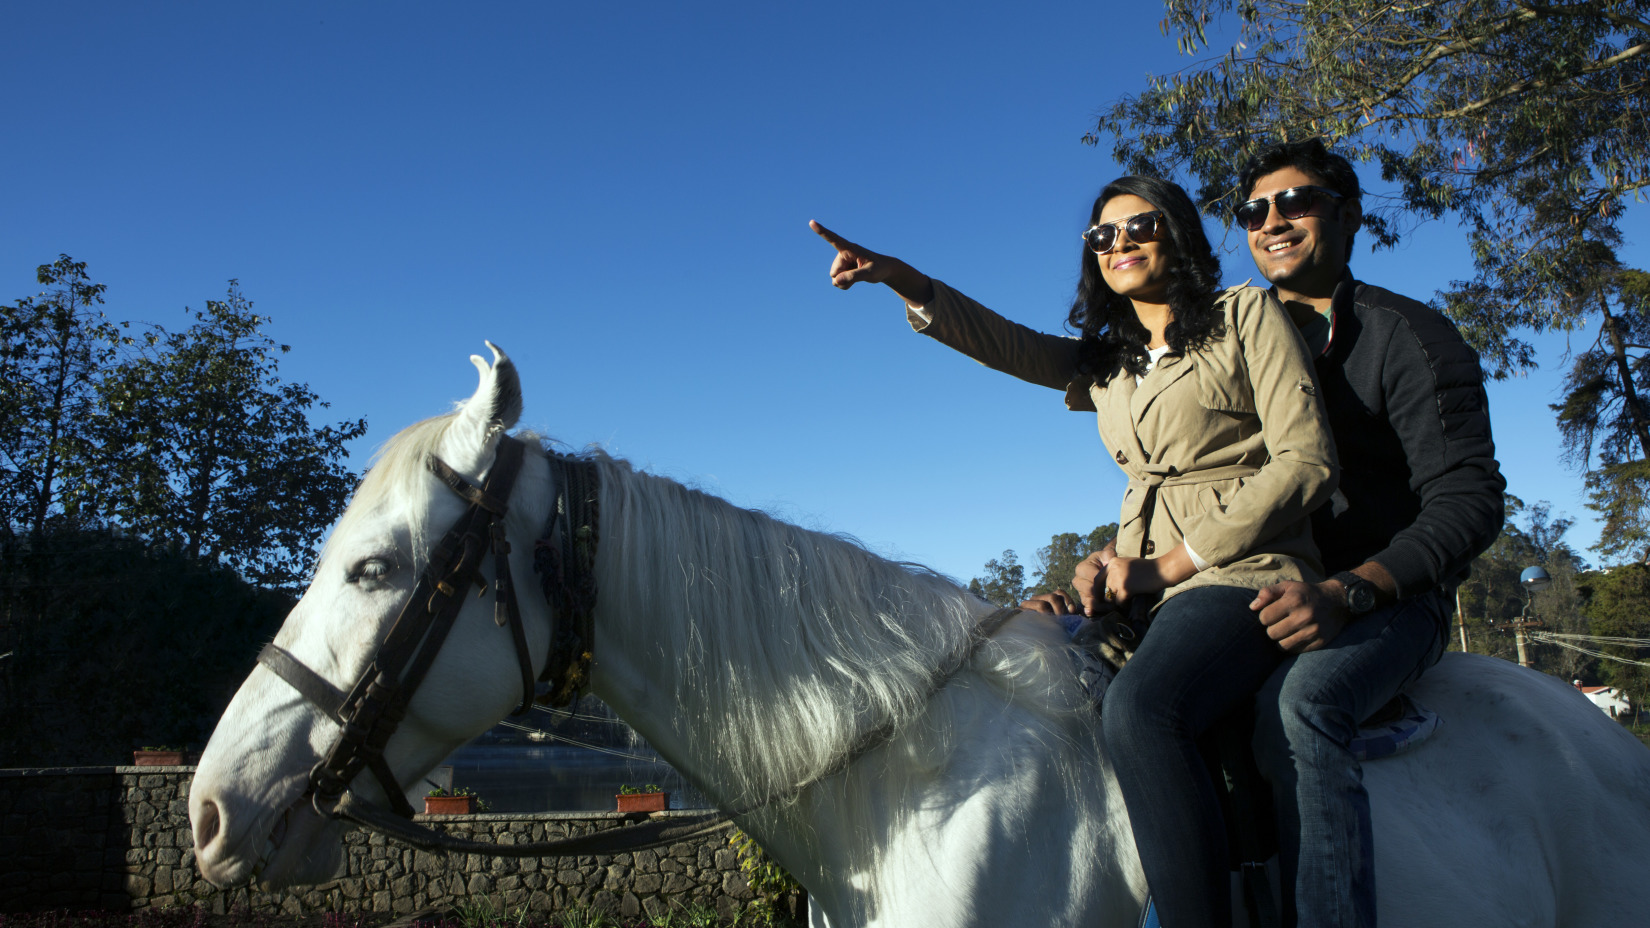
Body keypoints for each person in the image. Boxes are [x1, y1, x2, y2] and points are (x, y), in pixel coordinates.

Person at [813, 174, 1339, 928]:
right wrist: (902, 278)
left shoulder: (1244, 315)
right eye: (1102, 236)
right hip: (1136, 586)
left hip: (1239, 574)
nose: (1119, 244)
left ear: (1180, 236)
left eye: (1140, 227)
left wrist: (1170, 564)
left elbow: (1306, 462)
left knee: (1144, 709)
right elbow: (1009, 345)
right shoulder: (1112, 360)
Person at [1034, 140, 1506, 928]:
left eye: (1299, 203)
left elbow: (1469, 501)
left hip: (1384, 594)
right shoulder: (1226, 332)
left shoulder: (1409, 337)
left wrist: (1354, 589)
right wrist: (1117, 563)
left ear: (1350, 216)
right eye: (1255, 211)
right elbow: (1195, 473)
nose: (1273, 222)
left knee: (1301, 705)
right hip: (1261, 579)